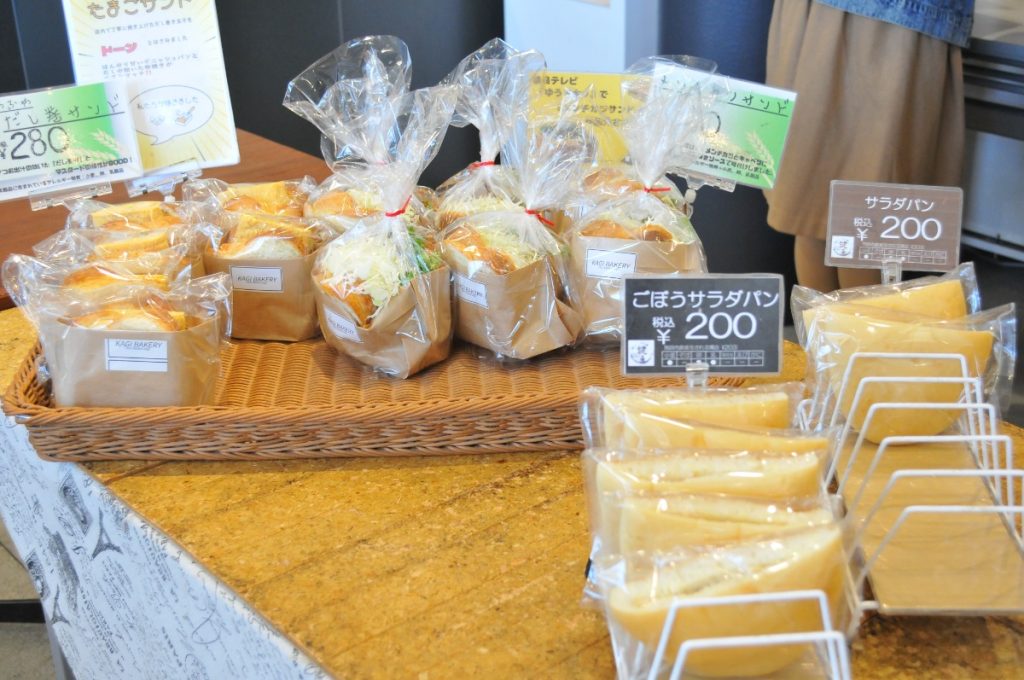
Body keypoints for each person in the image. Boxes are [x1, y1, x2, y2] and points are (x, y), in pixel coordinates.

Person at [763, 0, 974, 292]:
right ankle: (841, 323)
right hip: (894, 18)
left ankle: (824, 322)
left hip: (834, 14)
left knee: (823, 207)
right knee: (865, 214)